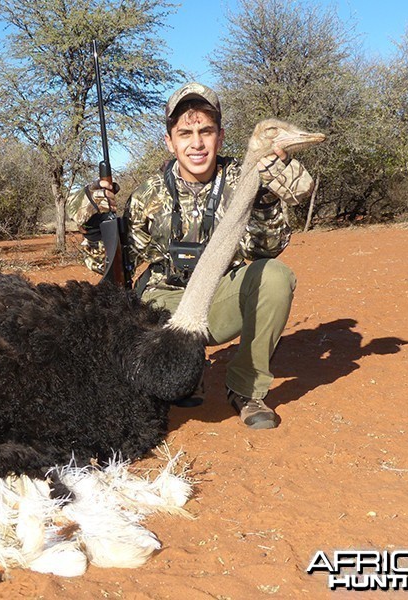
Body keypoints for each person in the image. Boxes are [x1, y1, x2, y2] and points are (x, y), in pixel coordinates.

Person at [67, 82, 317, 429]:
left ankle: (246, 389)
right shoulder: (148, 195)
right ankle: (184, 371)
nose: (196, 143)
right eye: (185, 133)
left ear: (221, 136)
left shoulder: (242, 178)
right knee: (134, 314)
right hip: (164, 303)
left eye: (206, 131)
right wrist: (94, 226)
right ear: (169, 141)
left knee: (275, 277)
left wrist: (264, 200)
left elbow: (266, 251)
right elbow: (113, 265)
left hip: (219, 297)